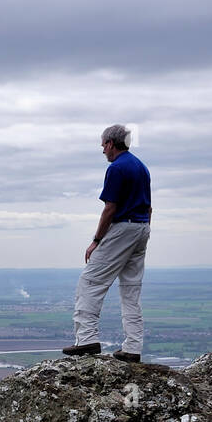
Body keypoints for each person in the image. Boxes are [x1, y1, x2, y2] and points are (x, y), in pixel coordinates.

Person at [62, 124, 151, 363]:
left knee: (90, 282)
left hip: (123, 227)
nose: (102, 150)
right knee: (131, 290)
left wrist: (96, 241)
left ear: (111, 144)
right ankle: (132, 348)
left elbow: (110, 208)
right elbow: (149, 206)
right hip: (142, 227)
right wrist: (142, 230)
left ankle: (87, 340)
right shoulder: (141, 167)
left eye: (103, 145)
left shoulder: (117, 168)